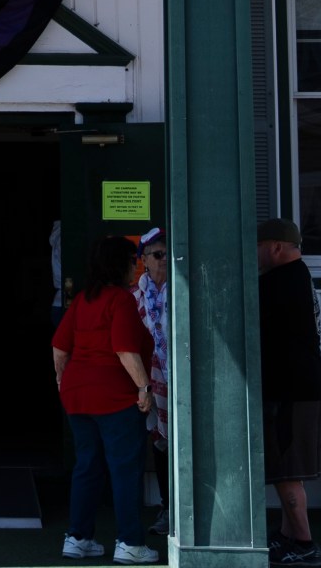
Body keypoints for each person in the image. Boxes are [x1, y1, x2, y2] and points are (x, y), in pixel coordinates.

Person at [52, 234, 159, 564]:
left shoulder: (83, 299)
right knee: (124, 470)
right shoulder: (122, 300)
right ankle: (129, 542)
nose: (136, 266)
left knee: (87, 466)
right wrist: (144, 389)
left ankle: (78, 538)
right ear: (121, 264)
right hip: (114, 396)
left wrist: (62, 382)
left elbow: (59, 348)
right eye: (133, 261)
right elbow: (125, 349)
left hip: (77, 395)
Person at [257, 219, 321, 566]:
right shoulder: (300, 276)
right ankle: (287, 536)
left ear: (275, 247)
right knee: (288, 468)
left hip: (291, 390)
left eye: (258, 247)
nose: (254, 256)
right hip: (302, 386)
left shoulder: (280, 282)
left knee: (286, 469)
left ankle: (304, 543)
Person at [132, 228, 174, 532]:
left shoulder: (182, 290)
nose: (163, 260)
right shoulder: (135, 297)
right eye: (157, 255)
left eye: (166, 254)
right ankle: (167, 508)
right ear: (144, 260)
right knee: (159, 442)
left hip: (181, 378)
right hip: (148, 381)